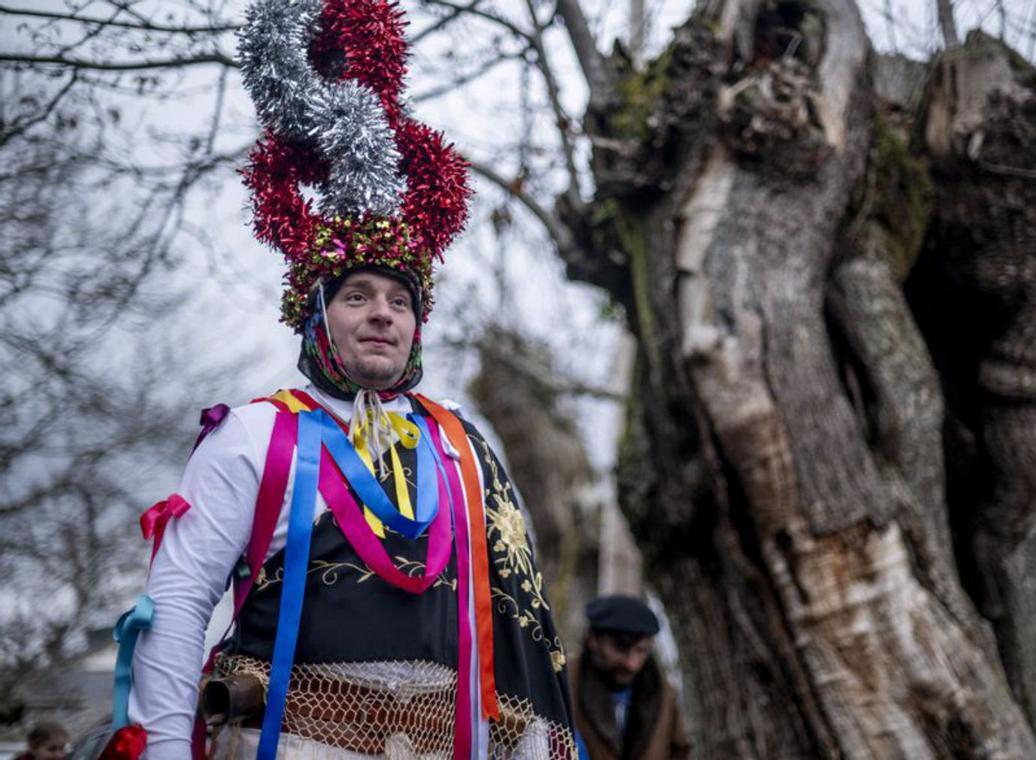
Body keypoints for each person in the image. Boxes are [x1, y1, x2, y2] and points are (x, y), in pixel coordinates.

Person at [115, 1, 576, 758]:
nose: (382, 316)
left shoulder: (463, 445)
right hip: (288, 741)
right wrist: (164, 749)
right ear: (314, 317)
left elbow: (514, 622)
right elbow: (177, 602)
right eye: (357, 297)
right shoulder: (254, 433)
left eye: (401, 301)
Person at [570, 596, 688, 760]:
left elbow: (679, 751)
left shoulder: (663, 693)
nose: (632, 664)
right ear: (593, 640)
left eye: (641, 651)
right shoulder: (564, 684)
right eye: (621, 648)